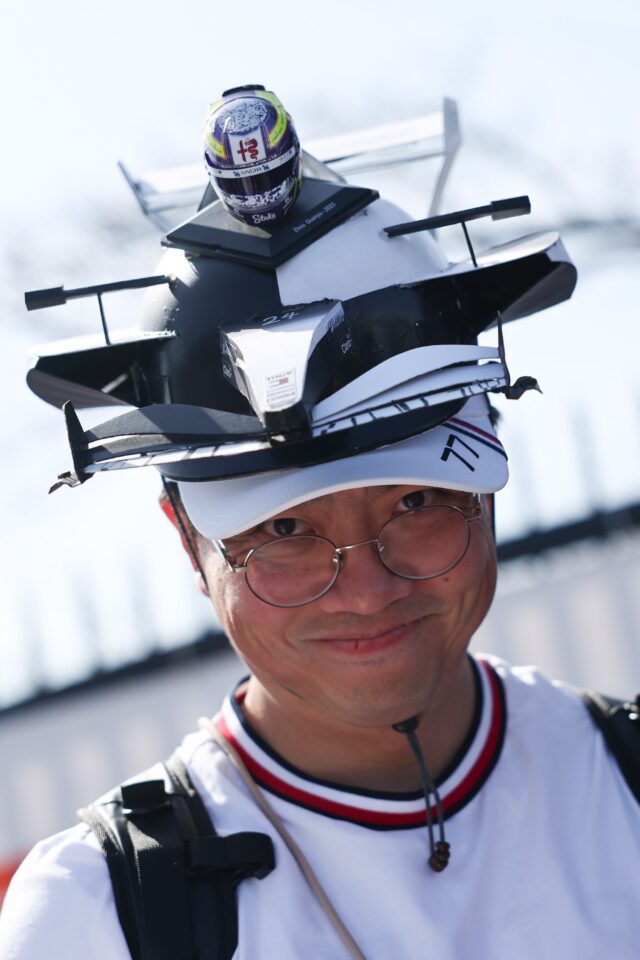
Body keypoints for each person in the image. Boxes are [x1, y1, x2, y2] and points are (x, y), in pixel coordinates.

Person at [2, 87, 639, 959]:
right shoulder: (96, 918)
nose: (367, 590)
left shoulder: (625, 781)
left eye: (414, 503)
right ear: (188, 542)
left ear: (488, 487)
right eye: (282, 532)